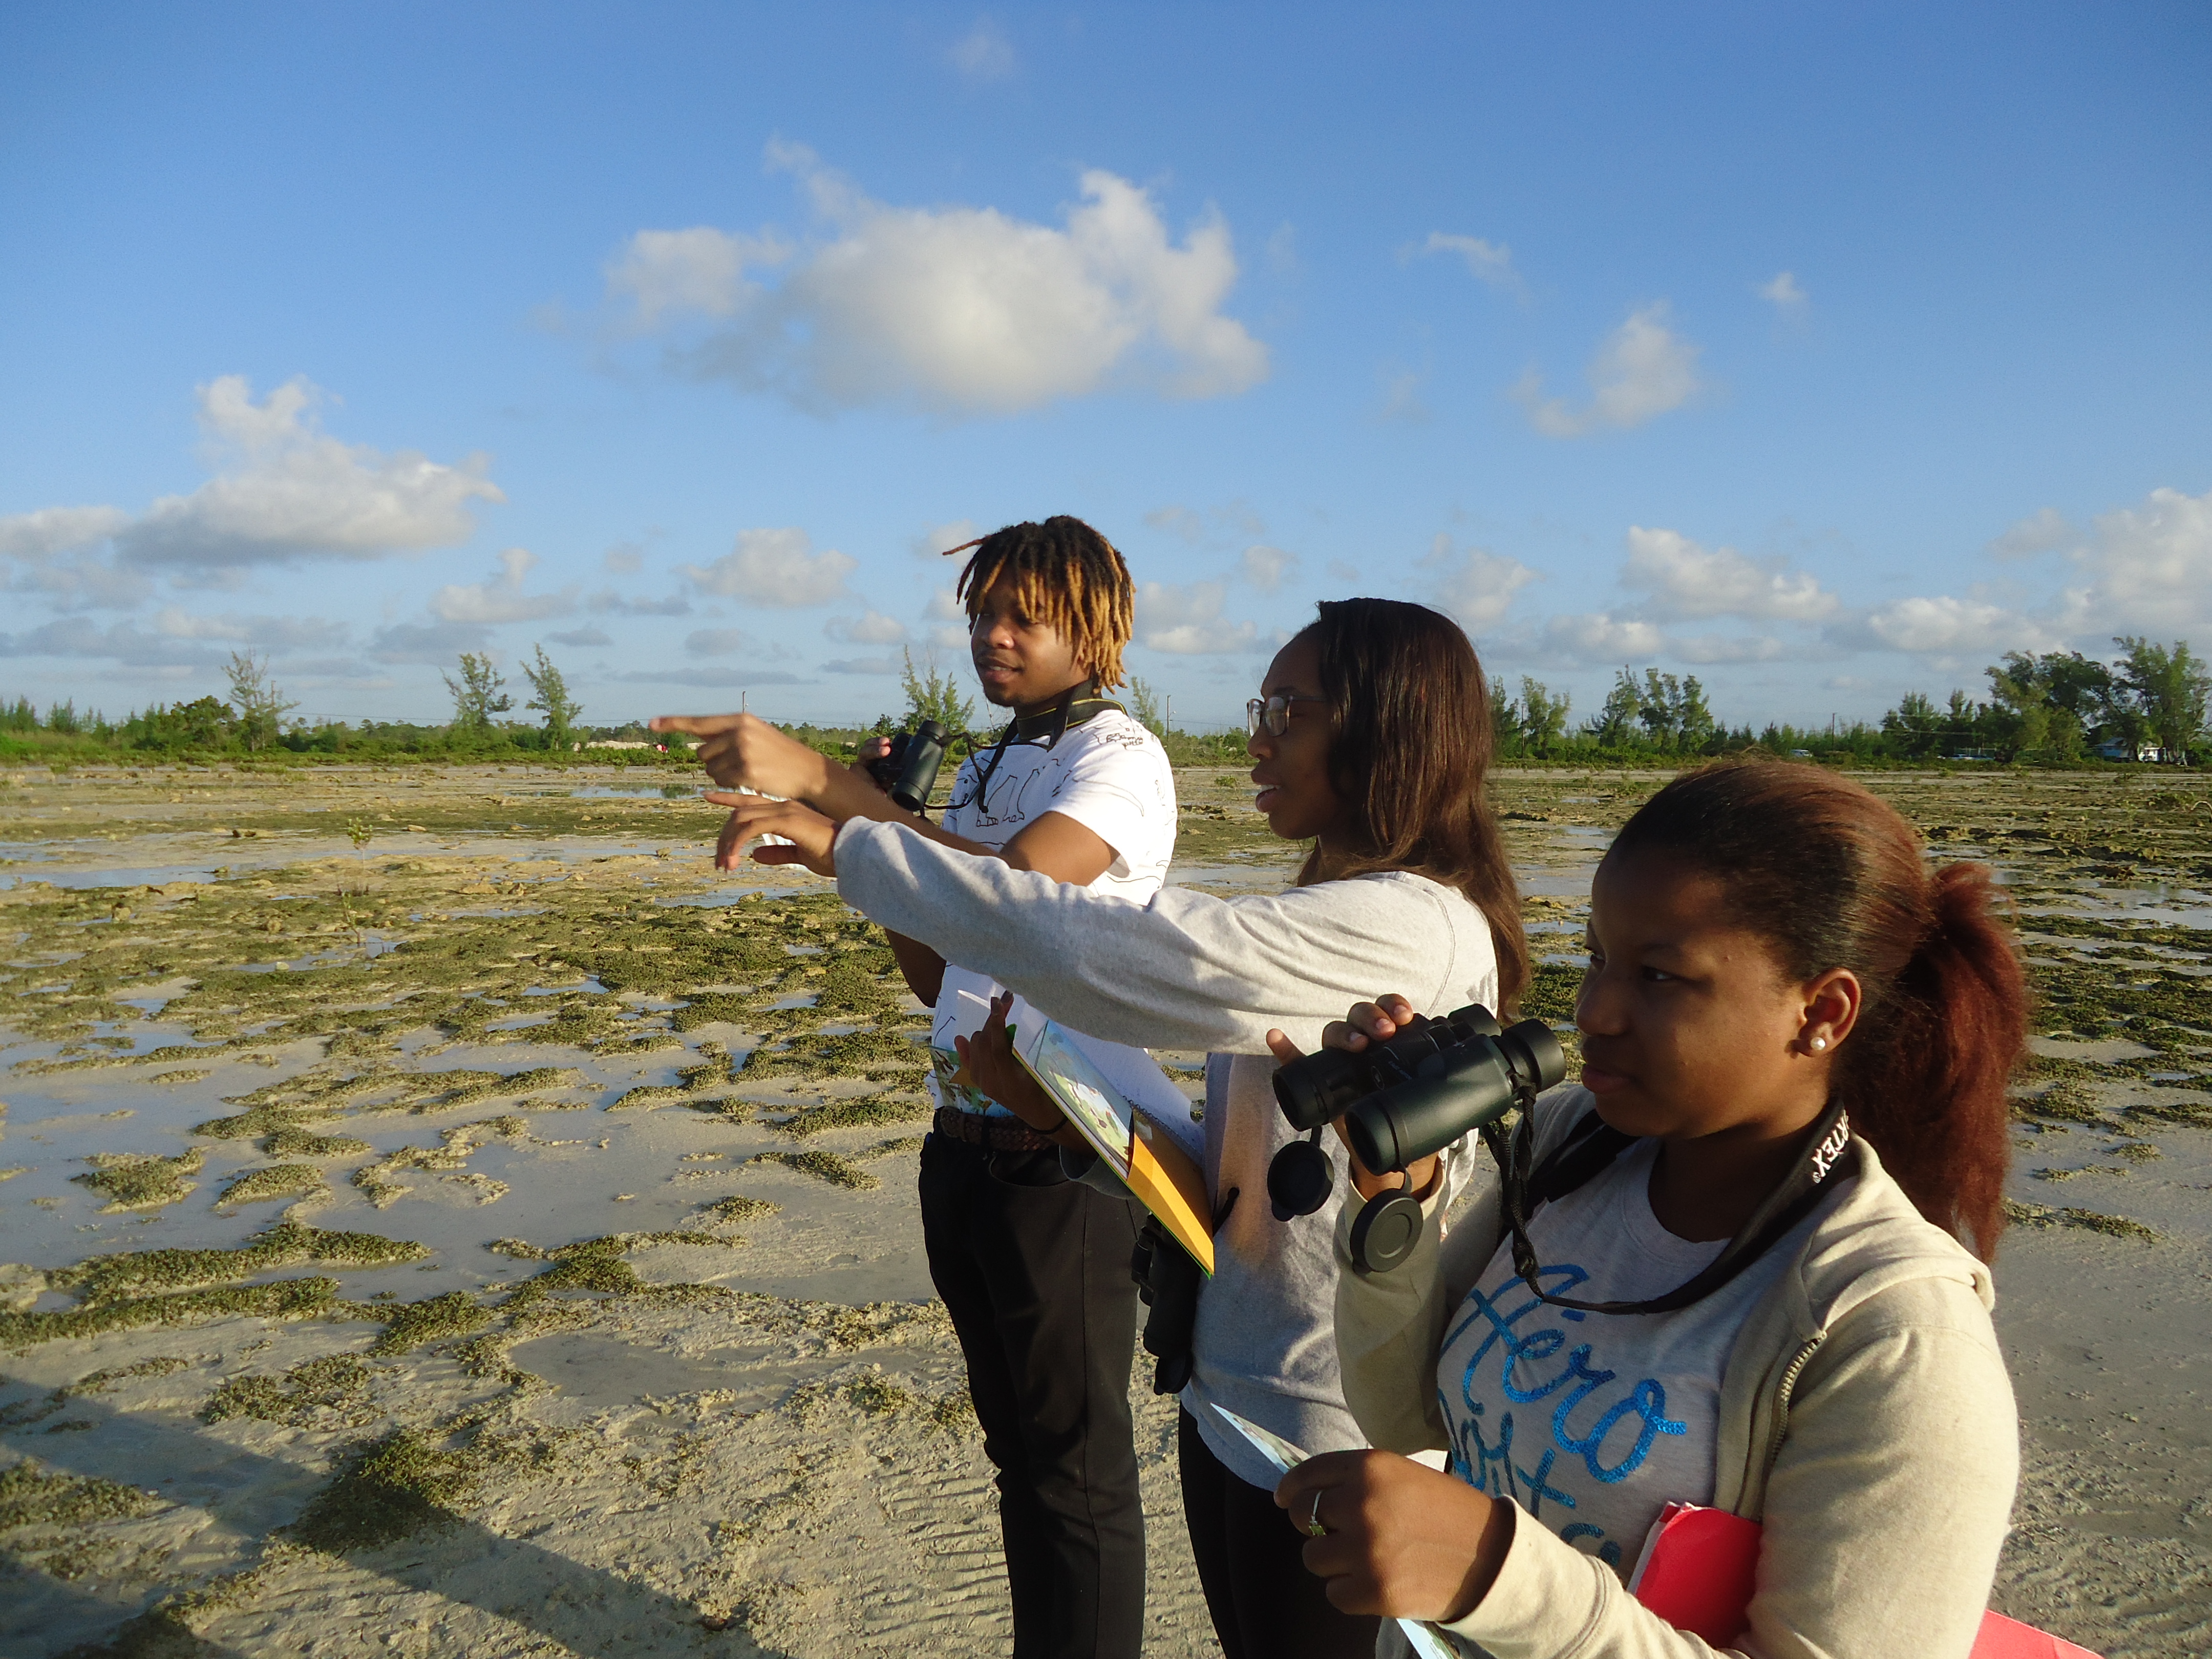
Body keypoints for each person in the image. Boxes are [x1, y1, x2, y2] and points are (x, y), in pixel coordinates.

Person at [721, 598, 1530, 1659]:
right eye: (1261, 708)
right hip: (1237, 1394)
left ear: (1391, 725)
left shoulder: (1413, 924)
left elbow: (1123, 949)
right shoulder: (1333, 910)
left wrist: (853, 840)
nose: (1257, 739)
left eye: (1287, 710)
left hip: (1334, 1429)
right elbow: (1237, 1190)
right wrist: (1061, 1118)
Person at [1275, 760, 2025, 1659]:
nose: (1593, 1011)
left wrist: (1495, 1582)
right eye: (1598, 958)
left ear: (1821, 1011)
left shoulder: (1897, 1336)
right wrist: (1397, 1202)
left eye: (1659, 976)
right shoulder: (1572, 1144)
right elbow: (1408, 1418)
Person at [655, 516, 1175, 1659]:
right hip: (964, 1146)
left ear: (1096, 628)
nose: (994, 635)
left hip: (1069, 1155)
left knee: (1079, 1478)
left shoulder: (1121, 761)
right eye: (984, 613)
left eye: (1024, 615)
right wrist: (874, 861)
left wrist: (835, 796)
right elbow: (945, 968)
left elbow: (1018, 897)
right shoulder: (988, 765)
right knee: (1019, 1462)